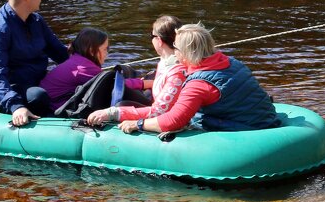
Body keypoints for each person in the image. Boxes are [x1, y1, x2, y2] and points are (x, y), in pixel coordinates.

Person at [97, 22, 281, 135]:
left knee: (196, 121)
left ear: (185, 53)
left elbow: (172, 121)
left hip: (250, 130)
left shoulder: (199, 85)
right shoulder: (231, 62)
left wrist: (138, 124)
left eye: (176, 48)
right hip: (264, 119)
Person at [86, 15, 188, 132]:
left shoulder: (177, 72)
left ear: (159, 41)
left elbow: (159, 112)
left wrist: (111, 113)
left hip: (165, 118)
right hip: (159, 107)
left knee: (120, 106)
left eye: (152, 36)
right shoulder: (165, 61)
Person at [39, 27, 147, 110]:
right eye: (105, 49)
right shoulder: (83, 68)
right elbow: (115, 86)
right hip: (54, 107)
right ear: (91, 51)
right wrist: (146, 84)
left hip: (53, 100)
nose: (107, 53)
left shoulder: (77, 59)